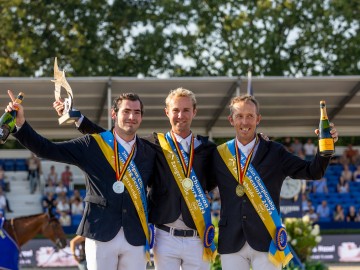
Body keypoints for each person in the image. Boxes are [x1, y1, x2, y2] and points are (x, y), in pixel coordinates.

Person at [57, 88, 217, 270]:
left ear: (194, 112)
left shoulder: (207, 149)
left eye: (186, 110)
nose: (181, 115)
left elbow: (215, 179)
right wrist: (78, 118)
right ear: (167, 112)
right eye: (175, 110)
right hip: (164, 236)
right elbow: (112, 141)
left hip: (197, 234)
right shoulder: (153, 144)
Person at [7, 90, 156, 270]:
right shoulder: (92, 145)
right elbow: (46, 149)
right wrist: (21, 124)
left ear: (141, 117)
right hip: (99, 232)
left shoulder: (149, 151)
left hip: (136, 236)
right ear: (114, 114)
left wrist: (77, 116)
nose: (131, 116)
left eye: (137, 112)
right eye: (126, 111)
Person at [212, 95, 338, 270]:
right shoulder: (219, 155)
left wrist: (325, 149)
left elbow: (313, 171)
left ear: (258, 119)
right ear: (231, 120)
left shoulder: (275, 151)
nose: (245, 121)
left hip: (268, 238)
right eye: (239, 116)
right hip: (231, 239)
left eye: (250, 116)